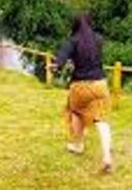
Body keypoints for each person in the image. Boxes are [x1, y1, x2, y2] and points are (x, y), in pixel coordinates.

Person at [53, 14, 113, 174]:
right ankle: (107, 156)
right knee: (102, 120)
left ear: (75, 25)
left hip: (80, 86)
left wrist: (55, 66)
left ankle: (78, 145)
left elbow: (60, 59)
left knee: (75, 112)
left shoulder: (73, 41)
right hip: (100, 84)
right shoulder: (98, 39)